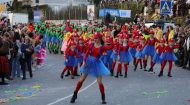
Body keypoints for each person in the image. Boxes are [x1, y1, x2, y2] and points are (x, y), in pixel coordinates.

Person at [70, 33, 111, 104]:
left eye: (96, 38)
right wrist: (84, 61)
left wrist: (109, 39)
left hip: (97, 64)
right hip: (88, 62)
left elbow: (111, 47)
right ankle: (75, 94)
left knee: (99, 82)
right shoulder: (91, 45)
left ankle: (103, 97)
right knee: (81, 79)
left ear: (99, 39)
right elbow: (86, 54)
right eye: (94, 38)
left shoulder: (102, 47)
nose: (94, 39)